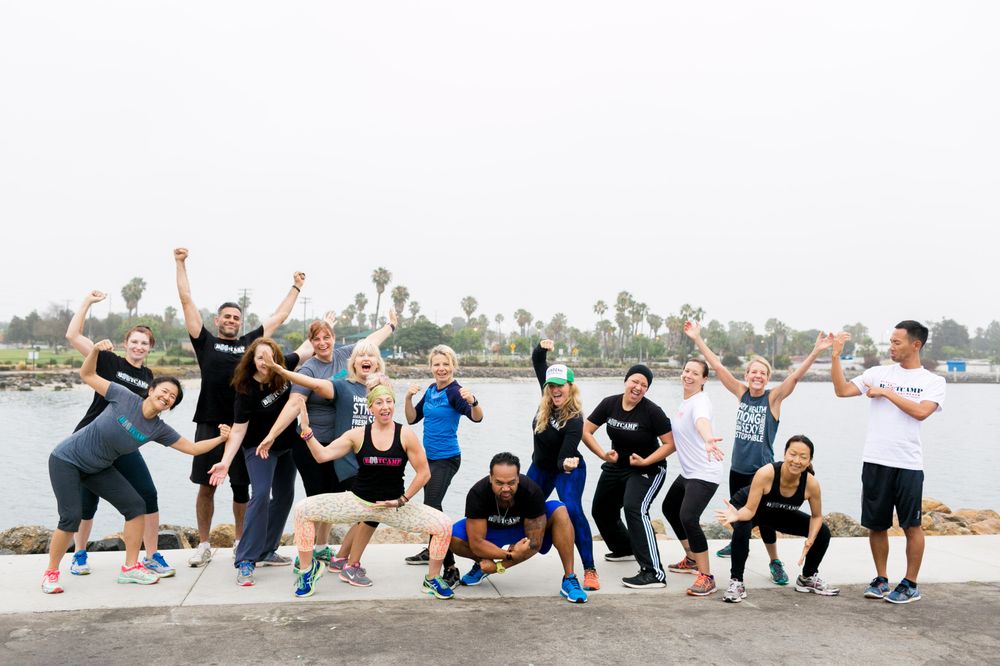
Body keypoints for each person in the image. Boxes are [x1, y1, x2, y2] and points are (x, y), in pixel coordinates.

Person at [42, 340, 230, 594]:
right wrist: (95, 351)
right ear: (151, 390)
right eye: (164, 391)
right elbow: (87, 375)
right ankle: (51, 573)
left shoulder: (158, 429)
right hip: (67, 460)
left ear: (172, 406)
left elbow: (193, 448)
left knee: (136, 506)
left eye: (172, 397)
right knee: (71, 517)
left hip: (98, 468)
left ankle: (130, 568)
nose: (166, 397)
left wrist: (221, 439)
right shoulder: (123, 396)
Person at [174, 247, 304, 568]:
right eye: (227, 317)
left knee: (242, 490)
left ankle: (240, 543)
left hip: (243, 426)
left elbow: (279, 317)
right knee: (206, 486)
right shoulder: (205, 342)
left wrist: (296, 287)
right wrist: (180, 263)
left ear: (240, 322)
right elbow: (187, 301)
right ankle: (204, 544)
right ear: (217, 320)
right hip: (210, 423)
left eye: (236, 317)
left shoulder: (251, 345)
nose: (232, 320)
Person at [684, 322, 832, 584]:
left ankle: (775, 561)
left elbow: (794, 378)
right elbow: (718, 367)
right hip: (737, 469)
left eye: (763, 373)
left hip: (761, 472)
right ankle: (738, 543)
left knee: (765, 522)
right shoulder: (742, 393)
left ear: (767, 377)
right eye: (753, 372)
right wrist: (697, 338)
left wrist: (816, 351)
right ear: (747, 374)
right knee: (739, 517)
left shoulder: (772, 399)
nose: (758, 376)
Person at [287, 377, 455, 600]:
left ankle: (432, 578)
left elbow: (424, 473)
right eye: (379, 402)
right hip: (358, 502)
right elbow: (322, 456)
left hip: (394, 507)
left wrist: (402, 500)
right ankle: (308, 571)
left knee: (443, 525)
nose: (385, 407)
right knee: (302, 510)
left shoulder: (405, 435)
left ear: (393, 405)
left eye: (389, 401)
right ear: (370, 408)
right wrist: (307, 432)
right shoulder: (357, 434)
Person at [262, 310, 399, 567]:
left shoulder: (345, 356)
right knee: (318, 499)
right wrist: (272, 435)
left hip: (340, 443)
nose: (322, 343)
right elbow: (294, 403)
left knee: (334, 497)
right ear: (310, 342)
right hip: (310, 442)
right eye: (316, 339)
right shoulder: (310, 368)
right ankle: (306, 554)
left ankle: (321, 548)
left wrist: (390, 326)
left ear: (334, 338)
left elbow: (370, 344)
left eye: (327, 337)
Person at [831, 322, 946, 604]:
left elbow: (921, 412)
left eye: (897, 342)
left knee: (912, 526)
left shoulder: (933, 381)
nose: (891, 347)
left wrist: (887, 393)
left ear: (915, 345)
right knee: (877, 524)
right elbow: (842, 390)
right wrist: (835, 356)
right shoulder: (877, 373)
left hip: (908, 464)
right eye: (891, 341)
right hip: (875, 460)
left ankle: (910, 584)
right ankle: (881, 579)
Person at [64, 290, 173, 577]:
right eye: (134, 341)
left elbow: (149, 414)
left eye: (144, 343)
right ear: (126, 344)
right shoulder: (109, 361)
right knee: (88, 502)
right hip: (90, 440)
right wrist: (87, 302)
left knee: (148, 494)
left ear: (150, 348)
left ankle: (151, 556)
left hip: (122, 445)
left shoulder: (149, 378)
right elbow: (73, 335)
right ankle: (79, 554)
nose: (138, 346)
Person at [206, 338, 309, 586]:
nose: (265, 362)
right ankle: (245, 559)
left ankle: (266, 550)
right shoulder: (246, 389)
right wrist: (225, 462)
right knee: (261, 494)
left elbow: (307, 348)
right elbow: (238, 431)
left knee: (284, 496)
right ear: (252, 360)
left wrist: (323, 327)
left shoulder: (283, 369)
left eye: (269, 357)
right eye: (260, 357)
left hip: (286, 446)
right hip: (258, 448)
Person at [631, 359, 725, 596]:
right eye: (686, 371)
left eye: (695, 373)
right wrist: (647, 459)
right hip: (689, 472)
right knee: (670, 507)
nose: (689, 375)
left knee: (688, 517)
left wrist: (708, 438)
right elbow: (676, 441)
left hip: (705, 472)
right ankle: (692, 558)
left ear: (704, 379)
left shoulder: (700, 402)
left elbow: (702, 422)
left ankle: (707, 577)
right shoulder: (686, 402)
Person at [450, 452, 588, 604]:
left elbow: (534, 544)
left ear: (518, 478)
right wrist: (508, 555)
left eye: (511, 482)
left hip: (521, 531)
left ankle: (569, 578)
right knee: (453, 537)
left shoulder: (531, 491)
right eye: (499, 483)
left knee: (560, 510)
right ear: (490, 478)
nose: (505, 488)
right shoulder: (478, 493)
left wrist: (498, 567)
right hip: (491, 532)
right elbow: (477, 543)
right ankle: (482, 563)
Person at [716, 435, 839, 602]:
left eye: (803, 457)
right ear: (785, 454)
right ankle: (736, 582)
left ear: (809, 460)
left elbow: (817, 517)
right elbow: (750, 510)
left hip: (778, 511)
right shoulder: (766, 473)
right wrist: (736, 515)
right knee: (742, 527)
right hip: (748, 507)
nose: (797, 461)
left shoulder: (811, 484)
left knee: (822, 532)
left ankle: (807, 578)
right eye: (793, 454)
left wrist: (810, 539)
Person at [583, 364, 674, 589]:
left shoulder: (652, 411)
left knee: (635, 508)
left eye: (644, 385)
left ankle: (653, 573)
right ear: (626, 381)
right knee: (601, 510)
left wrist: (646, 461)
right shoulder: (609, 403)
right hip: (617, 466)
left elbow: (670, 444)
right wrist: (603, 454)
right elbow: (585, 431)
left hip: (648, 468)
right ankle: (624, 548)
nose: (638, 387)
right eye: (635, 381)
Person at [402, 344, 483, 586]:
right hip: (428, 460)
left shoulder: (455, 392)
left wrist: (474, 401)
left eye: (446, 364)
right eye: (437, 364)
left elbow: (477, 417)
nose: (441, 368)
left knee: (431, 508)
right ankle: (431, 549)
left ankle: (450, 566)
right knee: (432, 507)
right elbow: (412, 419)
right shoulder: (430, 390)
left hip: (447, 459)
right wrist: (408, 398)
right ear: (431, 367)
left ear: (453, 366)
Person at [523, 339, 598, 591]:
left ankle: (589, 569)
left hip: (568, 469)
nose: (556, 390)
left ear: (570, 387)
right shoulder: (546, 398)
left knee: (573, 509)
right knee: (519, 505)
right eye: (551, 385)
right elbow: (537, 360)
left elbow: (561, 458)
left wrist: (566, 464)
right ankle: (489, 559)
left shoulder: (575, 419)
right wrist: (542, 347)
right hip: (540, 467)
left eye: (561, 385)